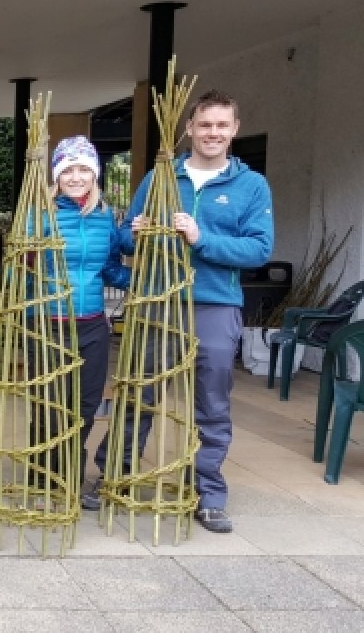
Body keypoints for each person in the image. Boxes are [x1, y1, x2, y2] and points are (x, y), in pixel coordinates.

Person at [110, 89, 274, 533]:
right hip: (157, 301)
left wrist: (202, 239)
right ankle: (115, 477)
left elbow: (259, 249)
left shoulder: (251, 186)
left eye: (221, 125)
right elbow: (124, 238)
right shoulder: (161, 176)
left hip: (215, 304)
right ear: (189, 128)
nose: (212, 133)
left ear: (235, 129)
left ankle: (208, 493)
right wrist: (134, 233)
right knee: (138, 394)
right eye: (204, 124)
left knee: (212, 403)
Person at [41, 136, 130, 502]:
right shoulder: (40, 214)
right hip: (50, 322)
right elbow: (21, 271)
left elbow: (109, 267)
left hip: (92, 323)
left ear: (95, 175)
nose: (76, 177)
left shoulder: (104, 216)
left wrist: (141, 282)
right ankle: (48, 473)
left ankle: (70, 473)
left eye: (84, 170)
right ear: (56, 176)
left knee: (86, 404)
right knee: (51, 404)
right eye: (68, 170)